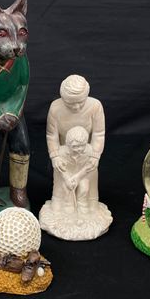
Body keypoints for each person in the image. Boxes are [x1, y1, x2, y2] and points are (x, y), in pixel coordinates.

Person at [46, 75, 106, 208]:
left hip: (87, 153)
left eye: (81, 102)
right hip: (64, 153)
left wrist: (95, 155)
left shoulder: (95, 106)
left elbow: (99, 133)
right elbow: (51, 135)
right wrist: (55, 156)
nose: (76, 107)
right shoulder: (55, 108)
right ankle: (61, 205)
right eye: (70, 103)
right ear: (63, 98)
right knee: (62, 180)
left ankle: (88, 206)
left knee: (88, 184)